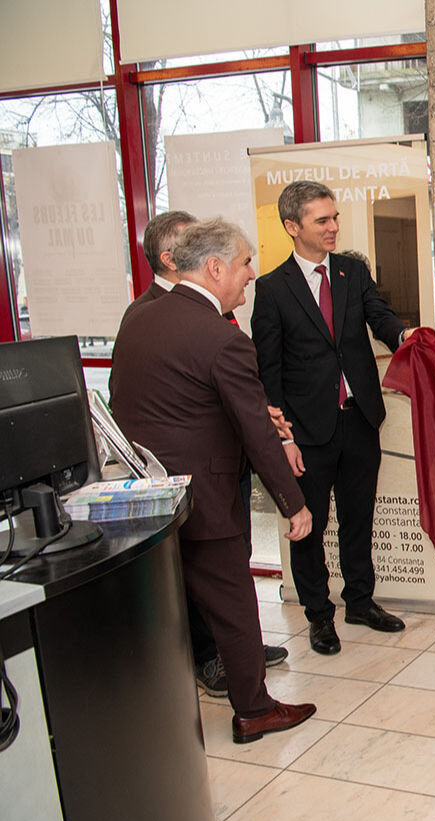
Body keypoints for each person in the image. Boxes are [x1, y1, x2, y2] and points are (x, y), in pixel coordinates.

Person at [110, 217, 317, 744]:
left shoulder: (140, 318)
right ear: (216, 267)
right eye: (245, 263)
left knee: (173, 607)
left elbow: (145, 405)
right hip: (207, 494)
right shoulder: (219, 337)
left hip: (155, 497)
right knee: (233, 608)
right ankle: (253, 710)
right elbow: (256, 434)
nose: (251, 274)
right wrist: (293, 505)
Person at [252, 180, 415, 655]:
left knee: (359, 517)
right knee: (311, 526)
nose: (333, 227)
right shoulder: (271, 289)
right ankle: (319, 616)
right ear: (292, 226)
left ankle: (360, 601)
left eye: (335, 217)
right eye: (322, 220)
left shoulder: (350, 273)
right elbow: (269, 372)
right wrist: (284, 439)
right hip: (307, 431)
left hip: (359, 418)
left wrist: (407, 335)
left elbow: (380, 319)